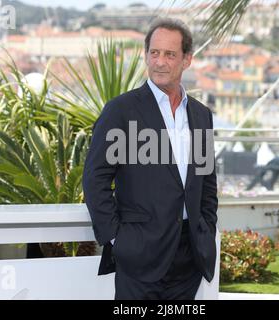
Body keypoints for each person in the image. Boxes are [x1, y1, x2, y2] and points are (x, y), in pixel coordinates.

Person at [82, 17, 218, 300]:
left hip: (189, 256)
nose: (160, 62)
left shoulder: (201, 115)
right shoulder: (121, 110)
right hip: (139, 253)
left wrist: (205, 228)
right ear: (146, 55)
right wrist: (118, 238)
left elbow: (206, 182)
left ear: (186, 60)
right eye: (154, 53)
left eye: (170, 54)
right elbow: (95, 178)